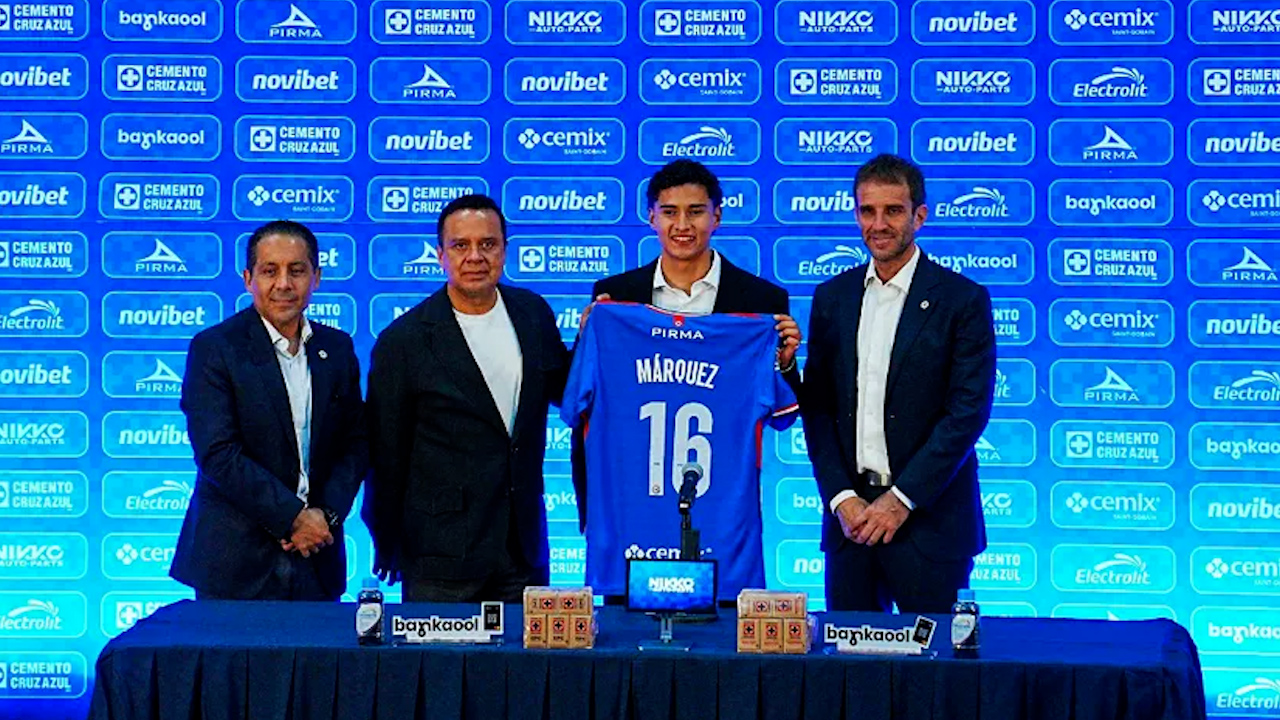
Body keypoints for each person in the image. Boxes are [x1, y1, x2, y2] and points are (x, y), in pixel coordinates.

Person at [801, 154, 996, 613]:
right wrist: (841, 498)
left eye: (893, 211)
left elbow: (966, 413)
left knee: (935, 660)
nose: (879, 224)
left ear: (919, 216)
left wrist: (901, 499)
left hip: (931, 525)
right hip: (850, 526)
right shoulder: (832, 298)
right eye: (867, 211)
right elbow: (818, 408)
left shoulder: (962, 300)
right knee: (846, 659)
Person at [571, 159, 802, 531]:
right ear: (651, 217)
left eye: (695, 211)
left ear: (717, 217)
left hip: (724, 506)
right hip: (630, 501)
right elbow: (579, 400)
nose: (682, 225)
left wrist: (785, 363)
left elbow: (783, 416)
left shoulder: (762, 300)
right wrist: (587, 340)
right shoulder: (615, 298)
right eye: (669, 212)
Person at [362, 193, 570, 602]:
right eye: (461, 245)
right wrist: (387, 541)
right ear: (441, 255)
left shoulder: (533, 314)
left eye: (487, 244)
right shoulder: (403, 341)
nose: (475, 257)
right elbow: (385, 456)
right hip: (439, 556)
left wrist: (597, 335)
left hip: (522, 550)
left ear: (505, 250)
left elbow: (565, 390)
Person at [172, 220, 369, 601]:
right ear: (248, 279)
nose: (283, 284)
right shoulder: (216, 349)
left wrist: (324, 517)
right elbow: (218, 454)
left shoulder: (337, 348)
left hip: (317, 556)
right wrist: (293, 518)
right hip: (235, 564)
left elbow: (355, 444)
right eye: (269, 271)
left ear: (316, 277)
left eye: (296, 270)